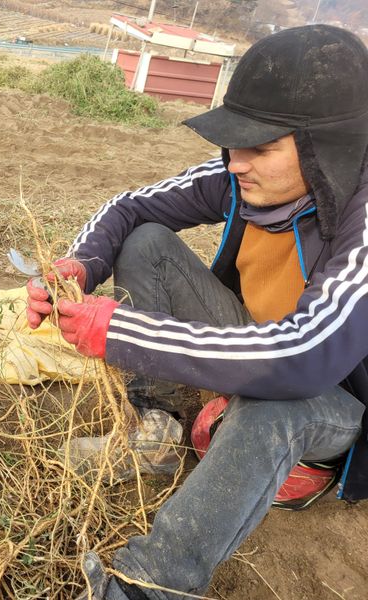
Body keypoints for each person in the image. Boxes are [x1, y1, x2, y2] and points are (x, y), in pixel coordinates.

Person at [26, 25, 368, 599]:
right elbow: (130, 207)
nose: (236, 164)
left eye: (261, 147)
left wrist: (122, 332)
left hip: (336, 396)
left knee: (273, 408)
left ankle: (145, 586)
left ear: (323, 149)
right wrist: (81, 265)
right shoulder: (241, 179)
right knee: (147, 242)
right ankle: (154, 431)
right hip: (262, 343)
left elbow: (303, 357)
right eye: (235, 144)